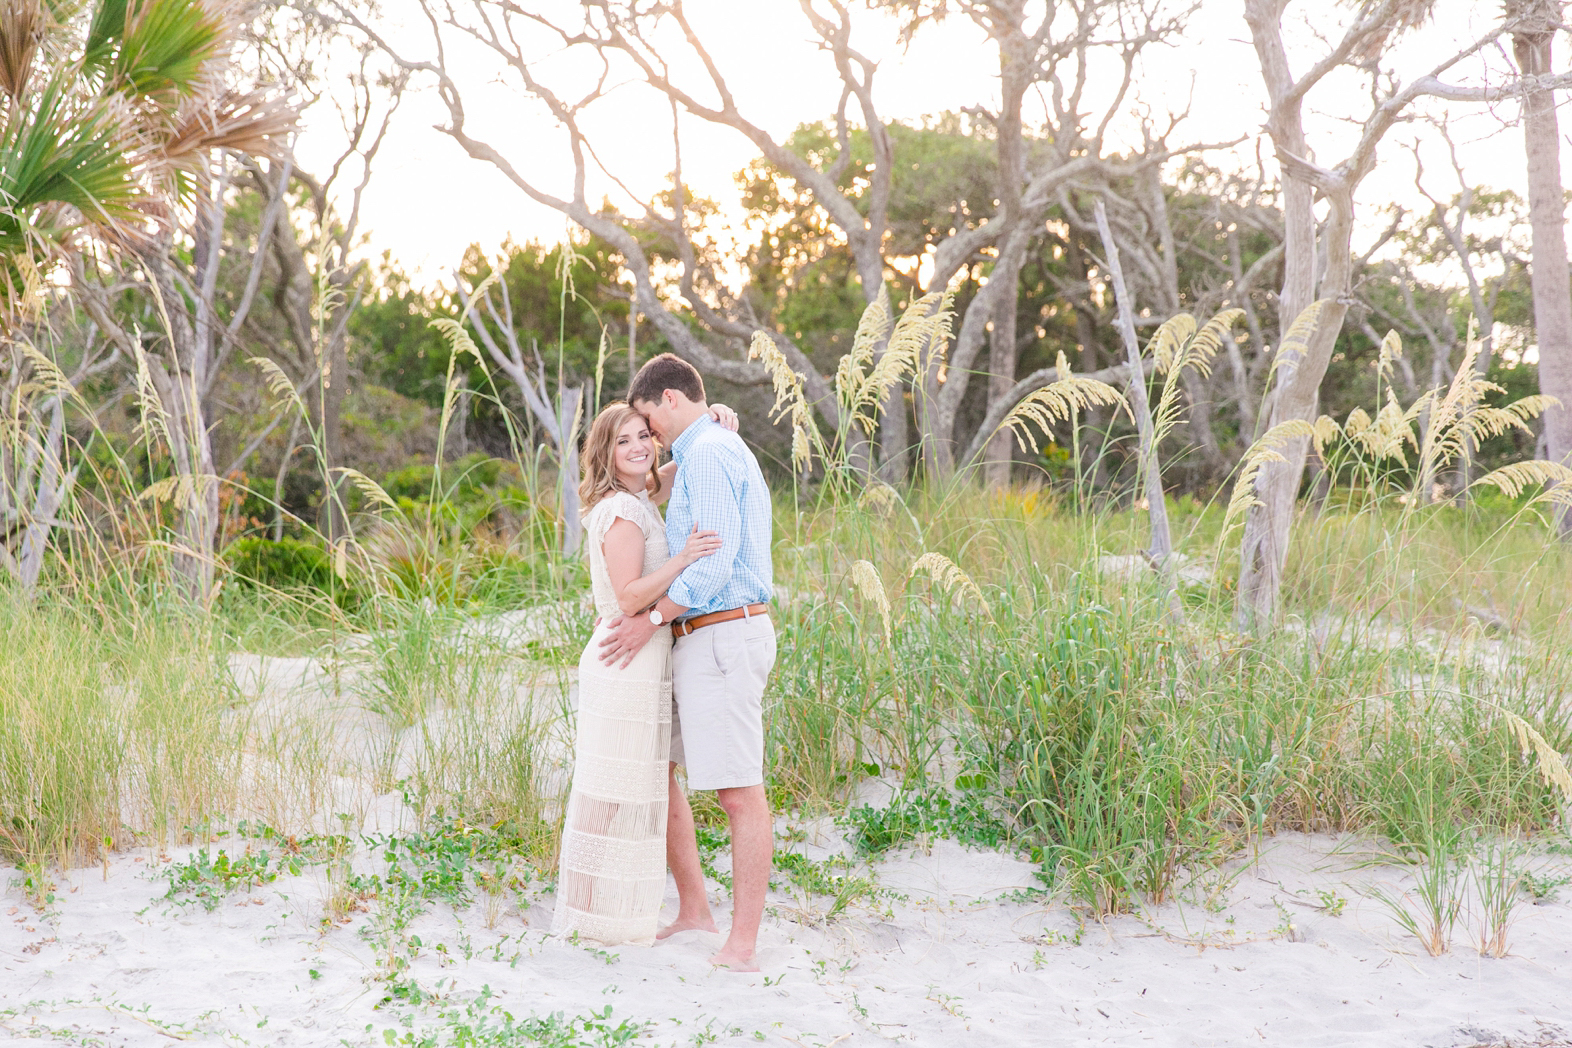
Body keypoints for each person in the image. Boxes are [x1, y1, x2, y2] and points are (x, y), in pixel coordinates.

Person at [598, 353, 777, 972]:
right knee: (670, 771)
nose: (649, 435)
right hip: (699, 638)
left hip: (725, 633)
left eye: (649, 420)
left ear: (670, 399)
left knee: (738, 792)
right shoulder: (706, 448)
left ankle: (743, 947)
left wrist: (649, 619)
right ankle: (696, 909)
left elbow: (715, 563)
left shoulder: (709, 453)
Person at [551, 400, 737, 945]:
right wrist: (684, 558)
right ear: (605, 454)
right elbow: (630, 594)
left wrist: (711, 419)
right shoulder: (623, 511)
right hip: (625, 658)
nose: (638, 448)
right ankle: (593, 917)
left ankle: (624, 910)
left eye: (643, 436)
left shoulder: (637, 495)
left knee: (641, 786)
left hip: (641, 657)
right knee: (615, 791)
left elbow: (679, 466)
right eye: (623, 441)